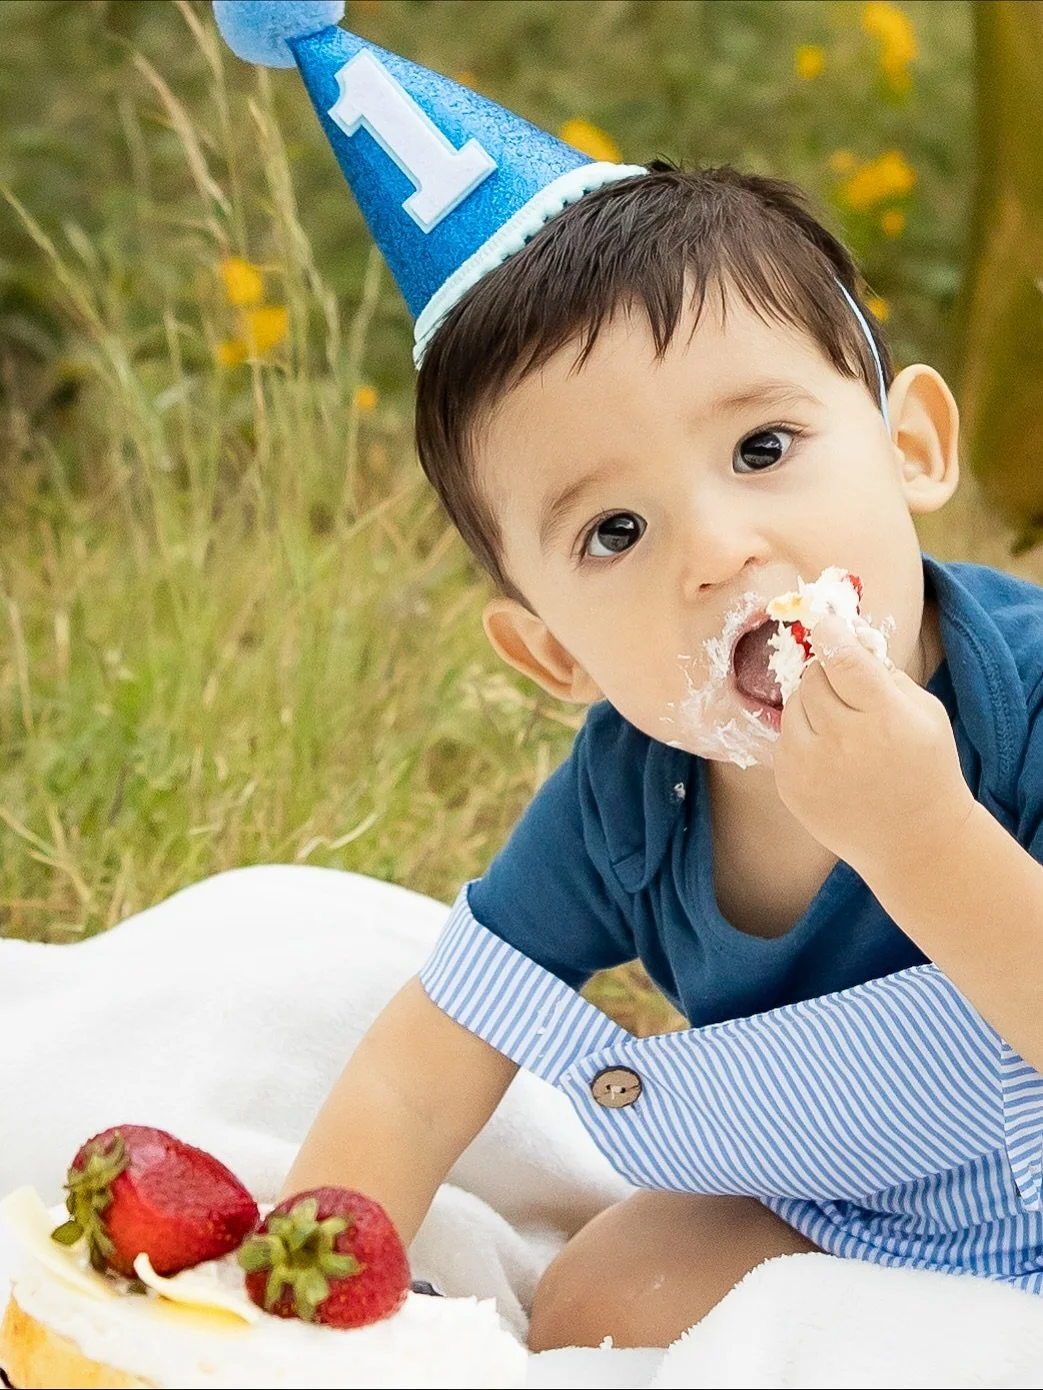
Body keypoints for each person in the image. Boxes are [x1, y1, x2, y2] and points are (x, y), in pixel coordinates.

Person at [214, 1, 1043, 1350]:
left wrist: (920, 833)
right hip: (861, 1199)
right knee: (598, 1291)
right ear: (553, 652)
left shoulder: (1028, 692)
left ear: (911, 446)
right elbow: (427, 1068)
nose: (717, 551)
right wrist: (287, 1305)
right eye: (614, 531)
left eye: (763, 447)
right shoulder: (629, 802)